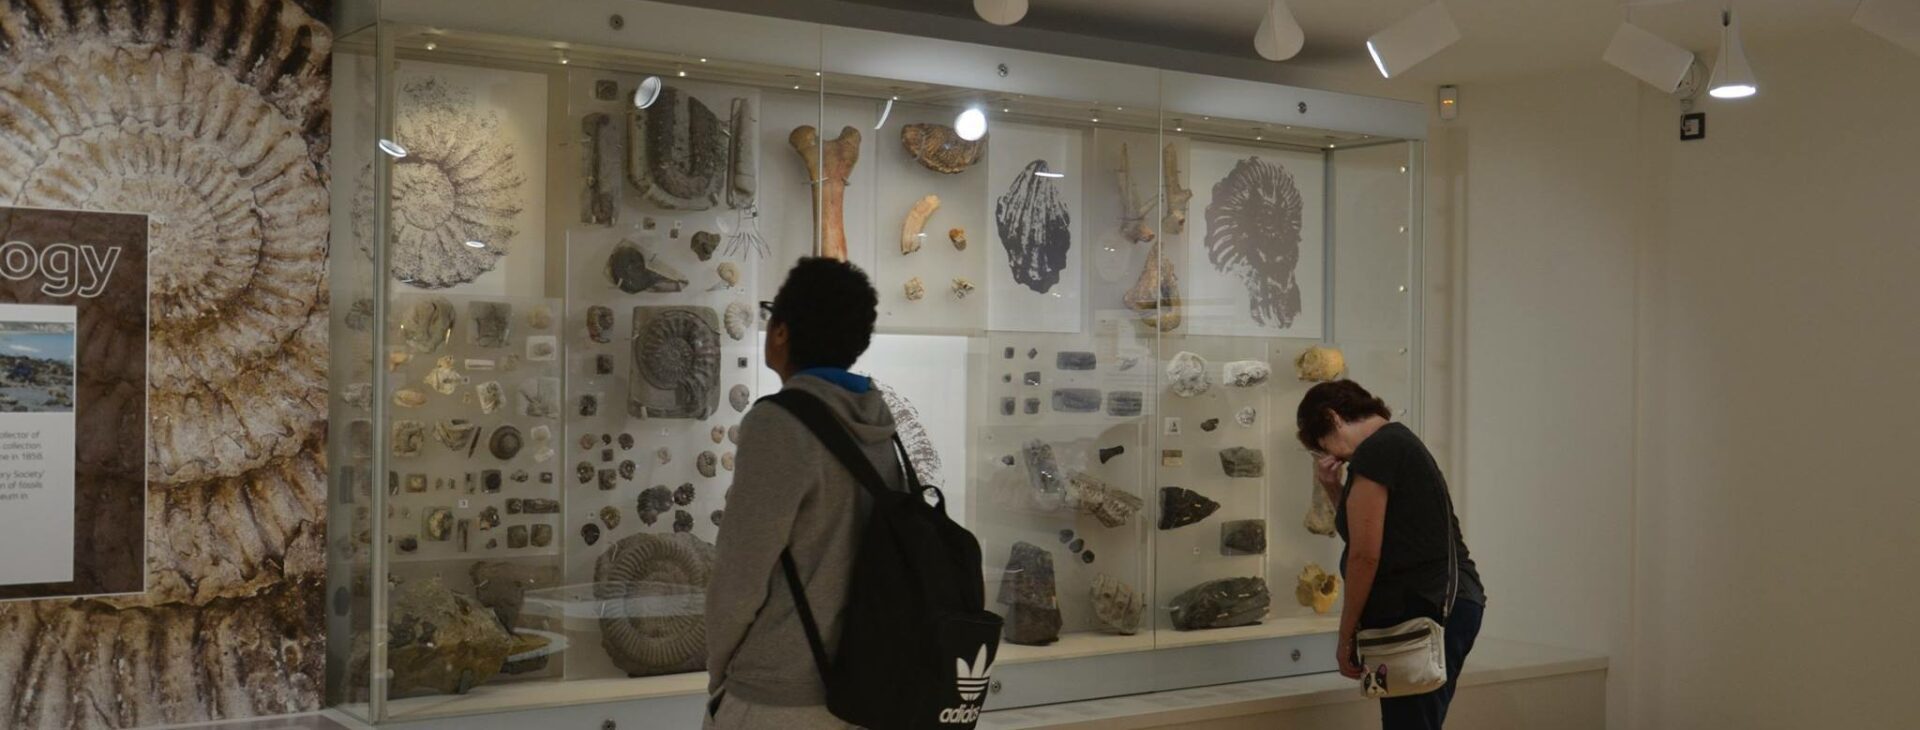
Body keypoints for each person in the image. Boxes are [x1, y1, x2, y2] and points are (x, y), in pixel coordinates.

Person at [706, 258, 896, 730]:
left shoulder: (779, 423)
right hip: (863, 684)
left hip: (780, 692)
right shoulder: (877, 421)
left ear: (782, 332)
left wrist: (720, 672)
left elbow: (739, 576)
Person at [1296, 380, 1487, 730]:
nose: (1335, 457)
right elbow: (1370, 533)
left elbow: (1364, 556)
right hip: (1442, 603)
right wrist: (1333, 488)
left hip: (1426, 606)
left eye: (1324, 445)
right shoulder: (1394, 443)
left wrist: (1345, 635)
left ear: (1332, 417)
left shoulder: (1377, 450)